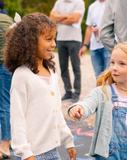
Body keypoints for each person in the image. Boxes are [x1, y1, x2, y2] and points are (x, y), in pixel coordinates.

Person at [68, 42, 127, 160]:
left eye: (122, 64)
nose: (114, 67)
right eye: (112, 62)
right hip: (107, 156)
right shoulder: (102, 93)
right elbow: (87, 104)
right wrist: (78, 109)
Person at [4, 13, 76, 160]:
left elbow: (56, 111)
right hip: (31, 154)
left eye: (54, 39)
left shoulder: (51, 72)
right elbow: (17, 118)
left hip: (52, 151)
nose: (54, 44)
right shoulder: (22, 75)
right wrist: (25, 153)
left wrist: (68, 140)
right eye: (48, 39)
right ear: (29, 42)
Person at [50, 0, 85, 103]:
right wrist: (67, 16)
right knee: (63, 67)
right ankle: (68, 91)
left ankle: (77, 93)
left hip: (75, 40)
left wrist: (59, 18)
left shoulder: (79, 2)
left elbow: (75, 19)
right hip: (60, 39)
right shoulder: (58, 2)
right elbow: (52, 18)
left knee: (76, 67)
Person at [79, 0, 110, 78]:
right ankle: (99, 90)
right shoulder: (92, 7)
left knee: (108, 76)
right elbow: (89, 28)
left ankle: (108, 90)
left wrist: (101, 30)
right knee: (98, 77)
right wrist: (85, 45)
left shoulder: (112, 4)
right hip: (94, 47)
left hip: (108, 46)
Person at [0, 1, 13, 159]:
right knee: (6, 103)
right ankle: (7, 142)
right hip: (9, 65)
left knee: (3, 105)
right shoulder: (9, 20)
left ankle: (4, 144)